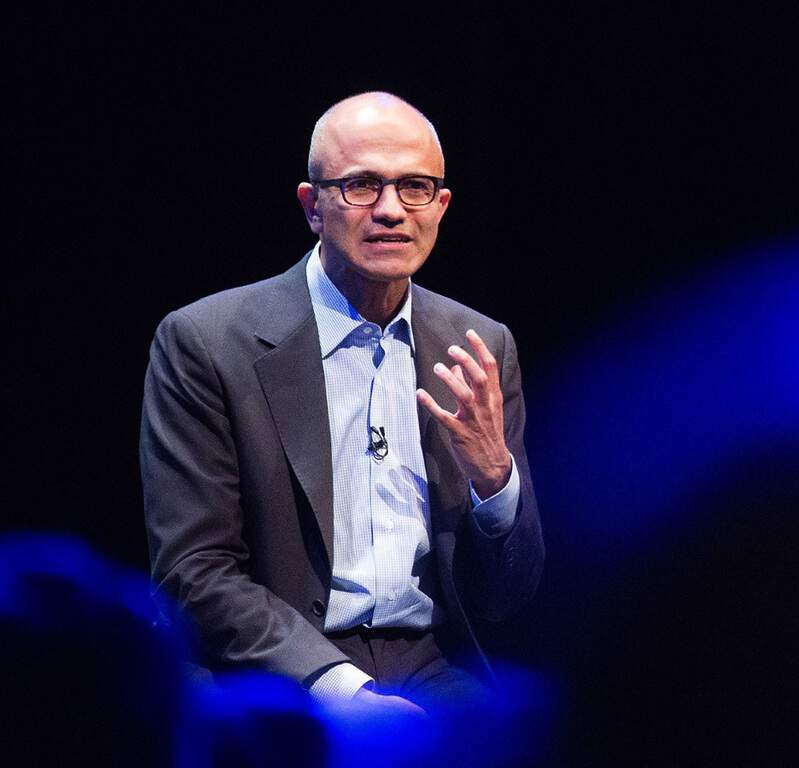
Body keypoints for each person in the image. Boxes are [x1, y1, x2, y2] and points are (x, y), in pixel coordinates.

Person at [141, 92, 543, 715]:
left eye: (414, 187)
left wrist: (496, 482)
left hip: (433, 671)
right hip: (271, 673)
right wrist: (344, 693)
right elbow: (194, 574)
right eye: (361, 185)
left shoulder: (479, 346)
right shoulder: (207, 343)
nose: (390, 211)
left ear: (440, 208)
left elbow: (506, 597)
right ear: (313, 206)